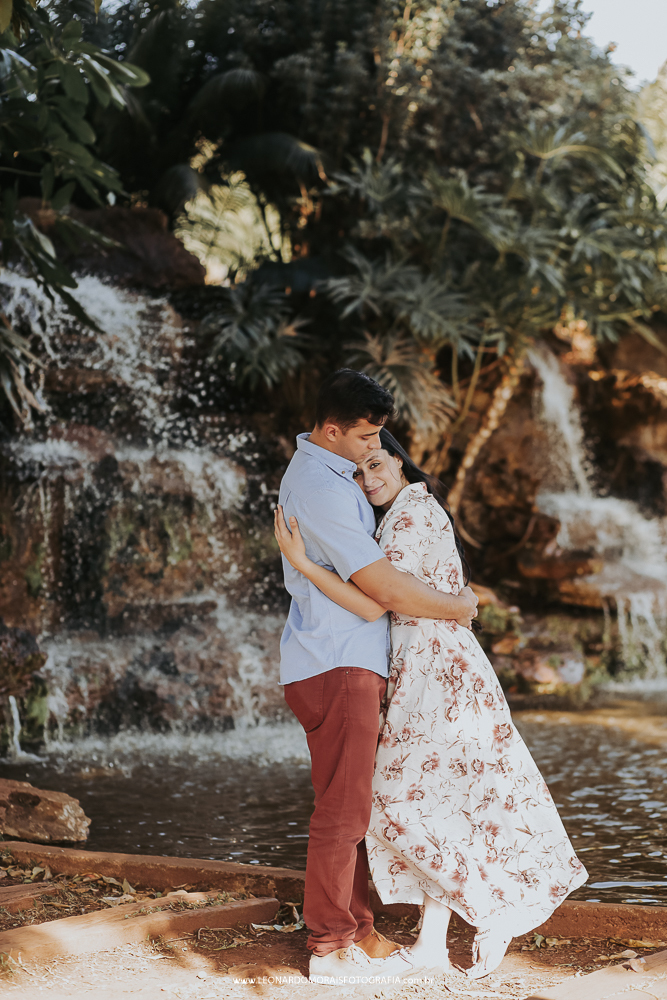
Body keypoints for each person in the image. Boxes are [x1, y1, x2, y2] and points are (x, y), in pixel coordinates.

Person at [275, 425, 587, 981]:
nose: (367, 476)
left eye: (378, 464)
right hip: (422, 669)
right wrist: (459, 603)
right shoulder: (399, 514)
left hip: (437, 672)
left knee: (403, 802)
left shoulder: (414, 513)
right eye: (359, 468)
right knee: (435, 802)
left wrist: (302, 563)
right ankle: (433, 943)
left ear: (401, 465)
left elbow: (379, 599)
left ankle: (492, 913)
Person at [277, 370, 478, 986]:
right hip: (337, 661)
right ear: (332, 430)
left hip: (346, 656)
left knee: (356, 805)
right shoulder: (322, 484)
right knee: (342, 810)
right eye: (366, 437)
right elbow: (380, 590)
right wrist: (463, 607)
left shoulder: (337, 475)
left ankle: (358, 931)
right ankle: (329, 947)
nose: (376, 449)